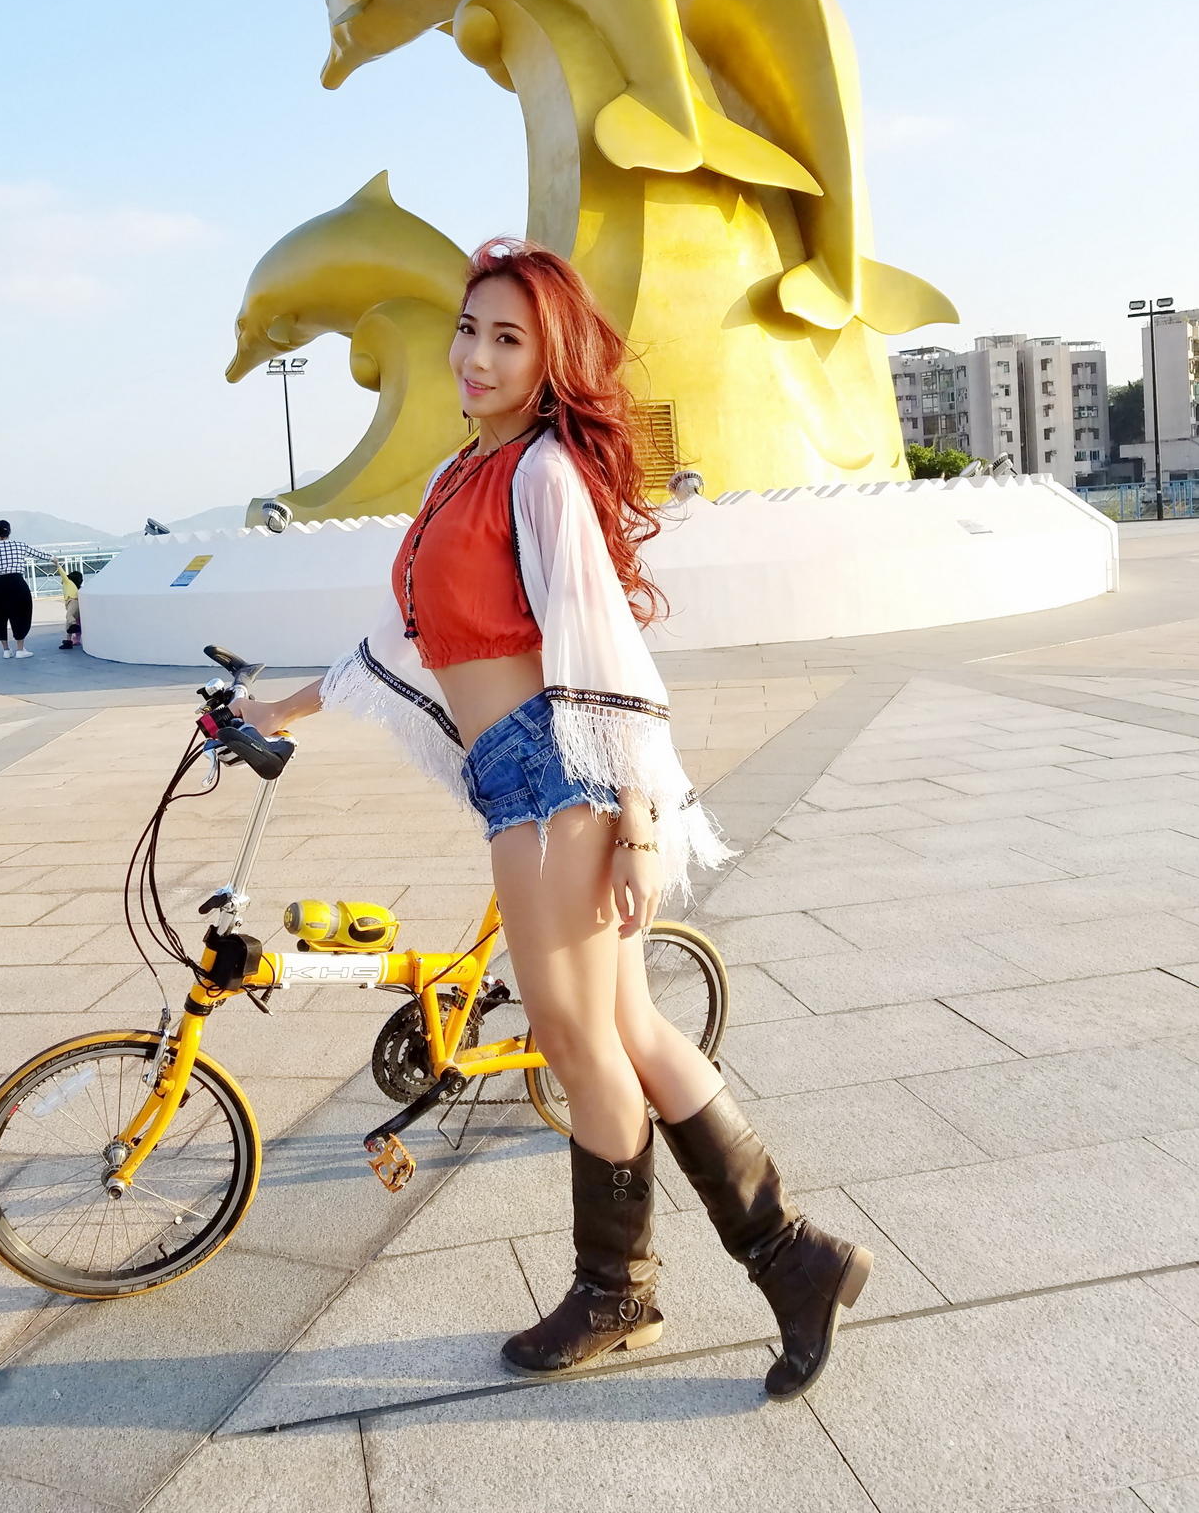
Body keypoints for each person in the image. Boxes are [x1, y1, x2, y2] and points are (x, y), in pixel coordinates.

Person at [239, 239, 872, 1399]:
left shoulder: (538, 474)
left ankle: (620, 1290)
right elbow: (398, 638)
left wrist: (637, 819)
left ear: (549, 362)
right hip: (520, 776)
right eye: (468, 329)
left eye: (508, 338)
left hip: (557, 777)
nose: (476, 356)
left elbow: (601, 647)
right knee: (626, 1029)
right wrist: (278, 707)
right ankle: (795, 1259)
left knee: (578, 1041)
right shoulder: (459, 475)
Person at [0, 520, 54, 658]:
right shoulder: (20, 545)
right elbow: (37, 554)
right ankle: (20, 650)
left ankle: (6, 650)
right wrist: (52, 558)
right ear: (9, 531)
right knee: (21, 614)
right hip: (16, 583)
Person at [59, 569, 84, 649]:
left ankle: (72, 638)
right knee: (71, 624)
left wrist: (57, 564)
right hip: (78, 608)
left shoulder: (69, 583)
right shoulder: (78, 588)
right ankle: (71, 641)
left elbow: (63, 575)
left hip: (73, 604)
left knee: (70, 618)